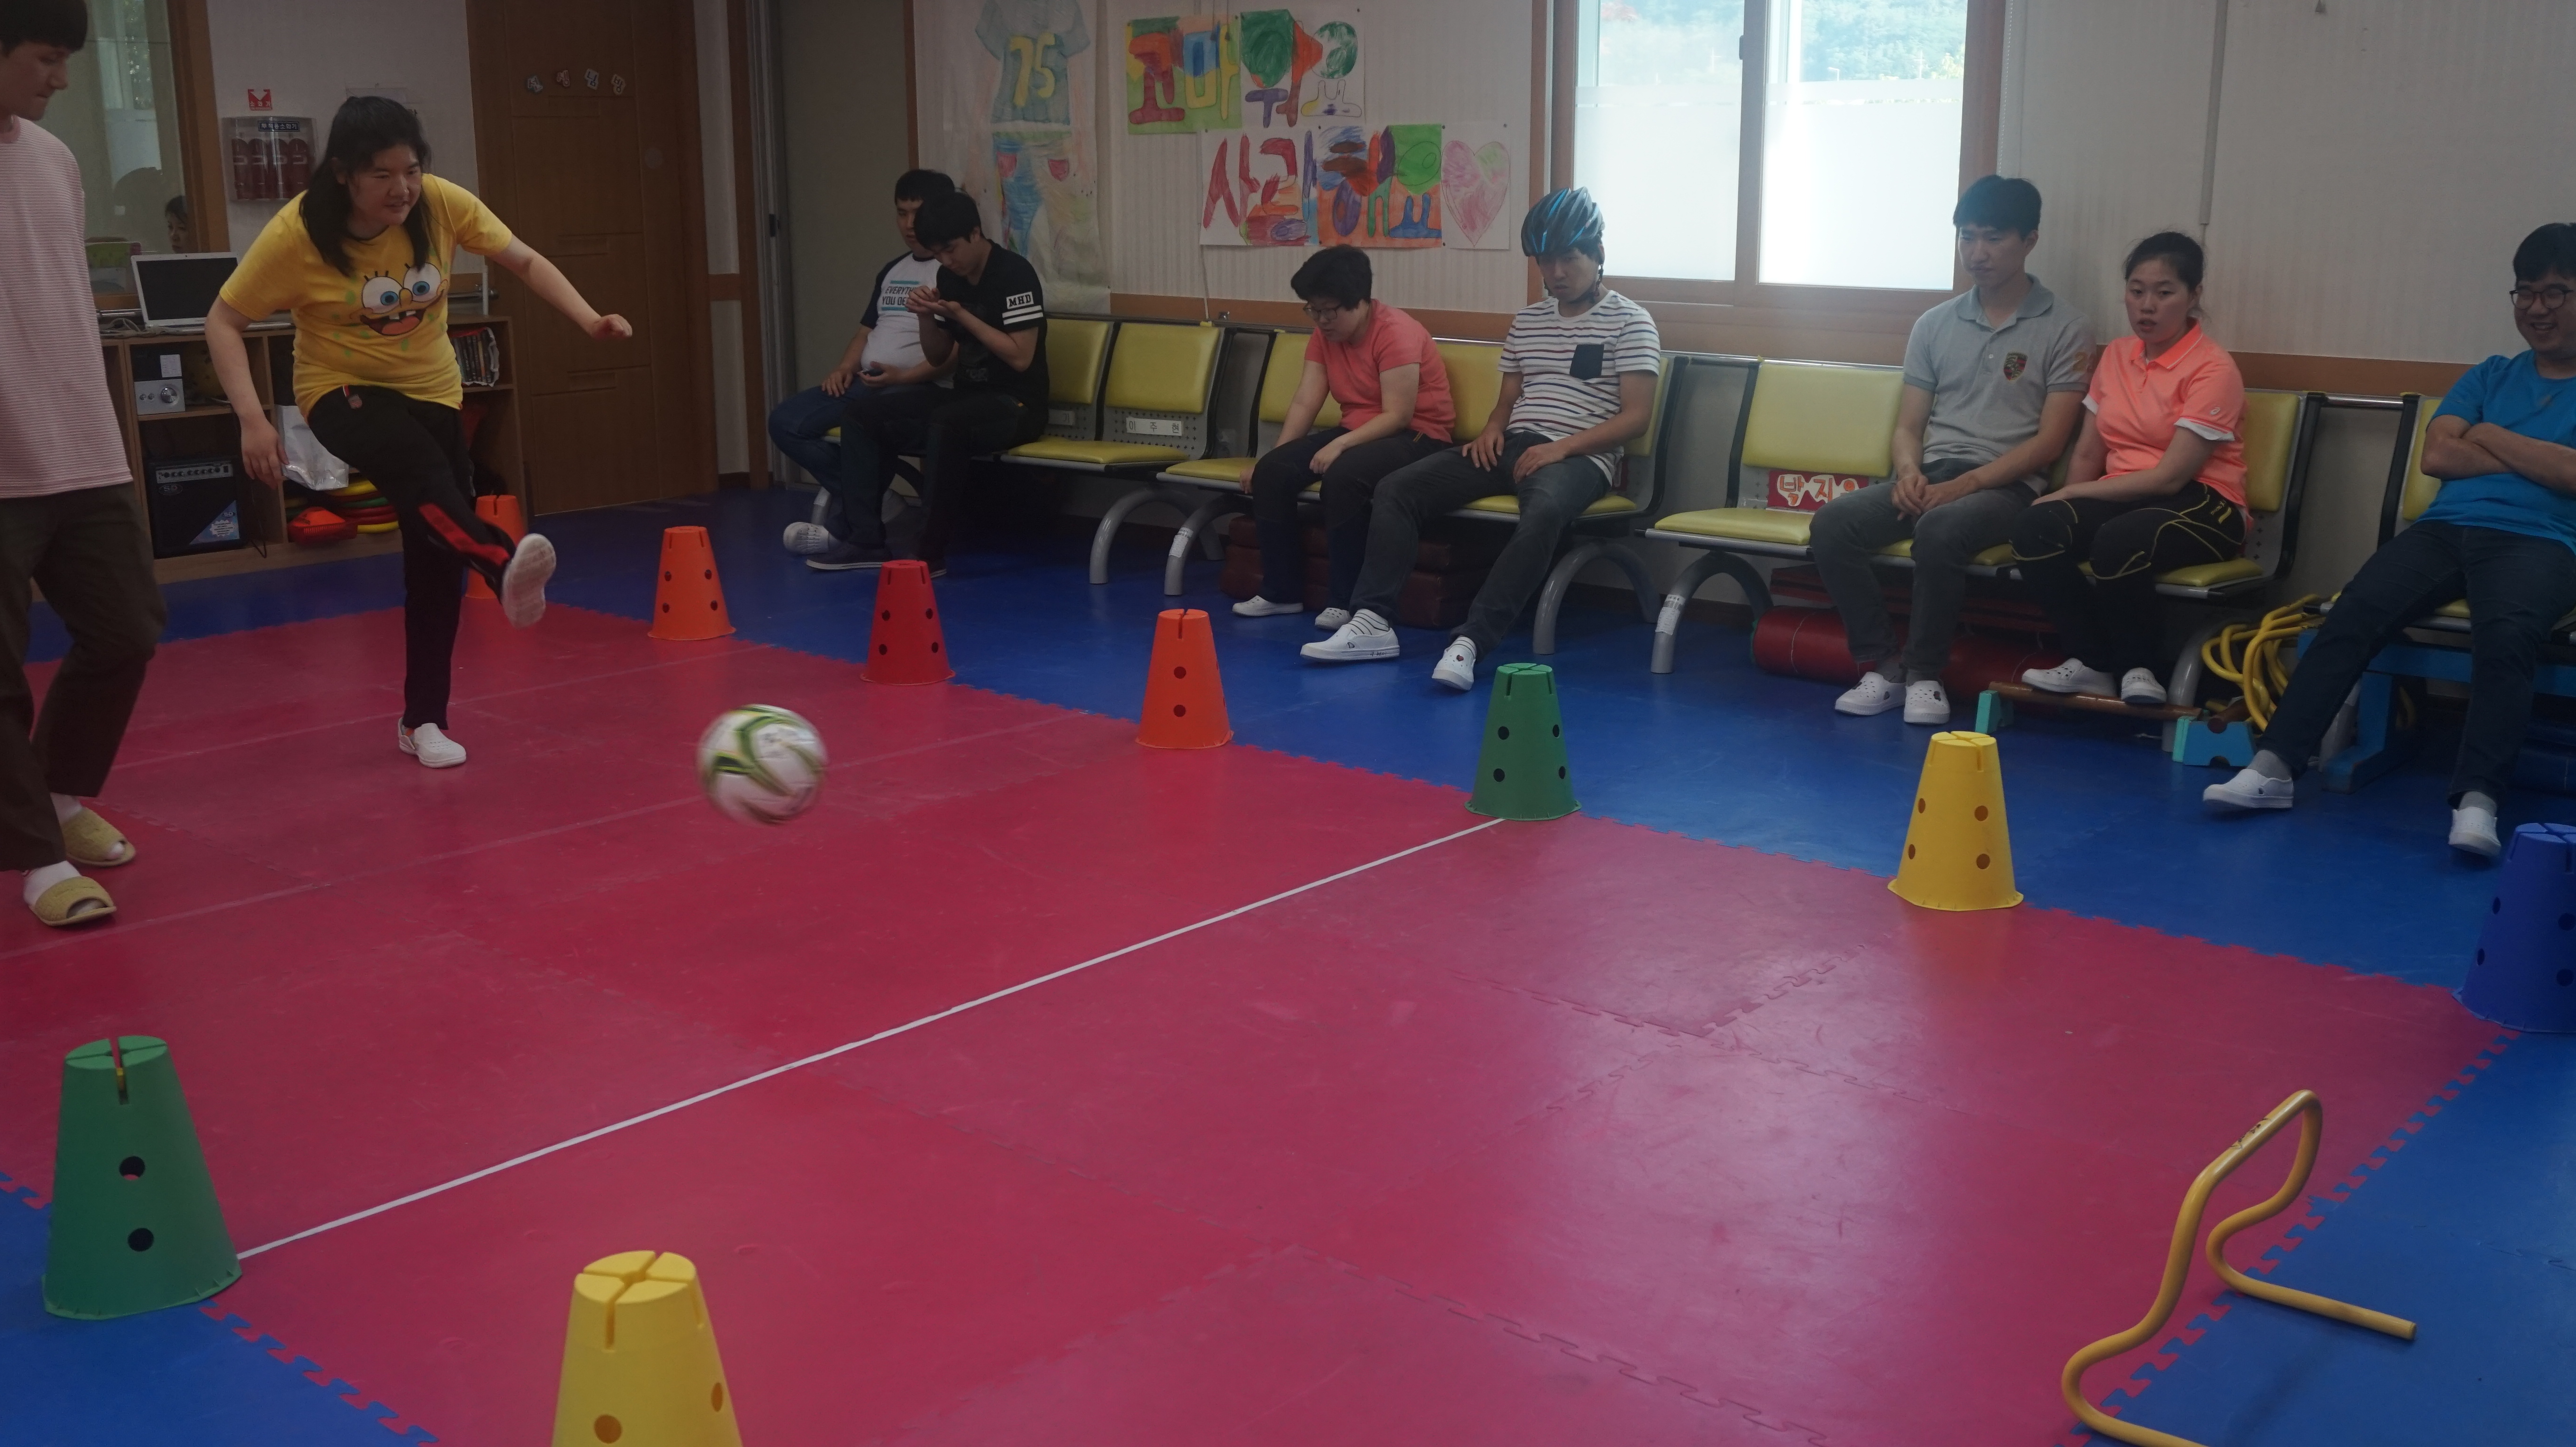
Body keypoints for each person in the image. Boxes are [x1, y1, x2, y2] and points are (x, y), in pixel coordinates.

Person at [208, 97, 630, 771]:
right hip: (339, 392)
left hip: (434, 391)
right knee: (422, 473)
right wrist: (253, 421)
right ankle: (499, 563)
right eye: (382, 174)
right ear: (344, 173)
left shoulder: (440, 204)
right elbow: (224, 321)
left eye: (410, 170)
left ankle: (423, 719)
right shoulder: (298, 233)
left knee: (434, 556)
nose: (401, 188)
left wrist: (589, 319)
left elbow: (524, 261)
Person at [2206, 222, 2576, 859]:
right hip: (2444, 529)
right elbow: (2437, 455)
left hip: (2541, 540)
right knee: (2353, 610)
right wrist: (2539, 457)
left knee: (2507, 637)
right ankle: (2273, 768)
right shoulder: (2490, 375)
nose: (2536, 308)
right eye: (2525, 292)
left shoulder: (2494, 405)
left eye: (2556, 293)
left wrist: (2488, 436)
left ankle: (2477, 802)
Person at [1303, 188, 1659, 691]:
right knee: (1396, 488)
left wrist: (1560, 448)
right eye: (1546, 261)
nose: (1556, 272)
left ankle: (1470, 642)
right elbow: (1507, 400)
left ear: (1598, 254)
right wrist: (1492, 429)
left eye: (1569, 258)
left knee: (1542, 515)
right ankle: (1372, 621)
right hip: (1510, 444)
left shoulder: (1631, 321)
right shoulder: (1529, 321)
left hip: (1579, 457)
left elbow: (1636, 418)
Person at [1809, 175, 2093, 726]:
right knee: (1833, 524)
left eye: (1993, 238)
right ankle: (1882, 666)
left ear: (2029, 240)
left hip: (2008, 487)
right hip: (1935, 473)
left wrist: (1964, 486)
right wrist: (1909, 473)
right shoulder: (1933, 324)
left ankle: (1924, 674)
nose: (1976, 253)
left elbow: (2049, 444)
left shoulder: (2067, 328)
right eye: (1966, 237)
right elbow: (1907, 426)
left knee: (1939, 529)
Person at [0, 0, 167, 927]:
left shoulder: (55, 159)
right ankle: (34, 858)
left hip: (79, 446)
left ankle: (60, 799)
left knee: (127, 628)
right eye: (45, 58)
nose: (61, 79)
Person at [2011, 232, 2246, 708]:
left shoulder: (2213, 368)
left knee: (2119, 538)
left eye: (2164, 292)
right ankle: (2092, 661)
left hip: (2205, 503)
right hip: (2124, 496)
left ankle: (2140, 667)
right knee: (2035, 527)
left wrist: (2071, 495)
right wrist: (2065, 506)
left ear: (2193, 295)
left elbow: (2169, 478)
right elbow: (2086, 453)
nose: (2147, 306)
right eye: (2136, 291)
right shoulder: (2117, 355)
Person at [806, 190, 1048, 576]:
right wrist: (925, 316)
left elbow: (1021, 357)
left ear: (975, 233)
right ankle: (865, 540)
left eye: (951, 250)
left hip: (1016, 404)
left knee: (947, 424)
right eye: (938, 254)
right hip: (965, 396)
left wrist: (961, 315)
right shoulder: (948, 277)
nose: (947, 261)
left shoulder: (1014, 273)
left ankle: (928, 553)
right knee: (863, 415)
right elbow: (938, 356)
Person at [1232, 244, 1456, 626]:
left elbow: (1398, 416)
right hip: (1360, 431)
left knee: (1344, 476)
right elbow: (1306, 400)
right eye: (1313, 310)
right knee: (1273, 471)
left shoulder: (1396, 332)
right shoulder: (1325, 335)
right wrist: (1271, 458)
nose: (1321, 320)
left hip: (1420, 436)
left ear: (1360, 302)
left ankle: (1345, 600)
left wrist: (1340, 445)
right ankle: (1281, 592)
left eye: (1330, 311)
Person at [775, 168, 957, 556]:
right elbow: (865, 330)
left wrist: (904, 376)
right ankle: (880, 501)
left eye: (918, 214)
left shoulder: (952, 270)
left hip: (916, 387)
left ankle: (849, 529)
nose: (909, 225)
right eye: (902, 213)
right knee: (786, 422)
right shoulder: (893, 270)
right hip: (866, 379)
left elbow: (956, 351)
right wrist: (844, 367)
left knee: (868, 425)